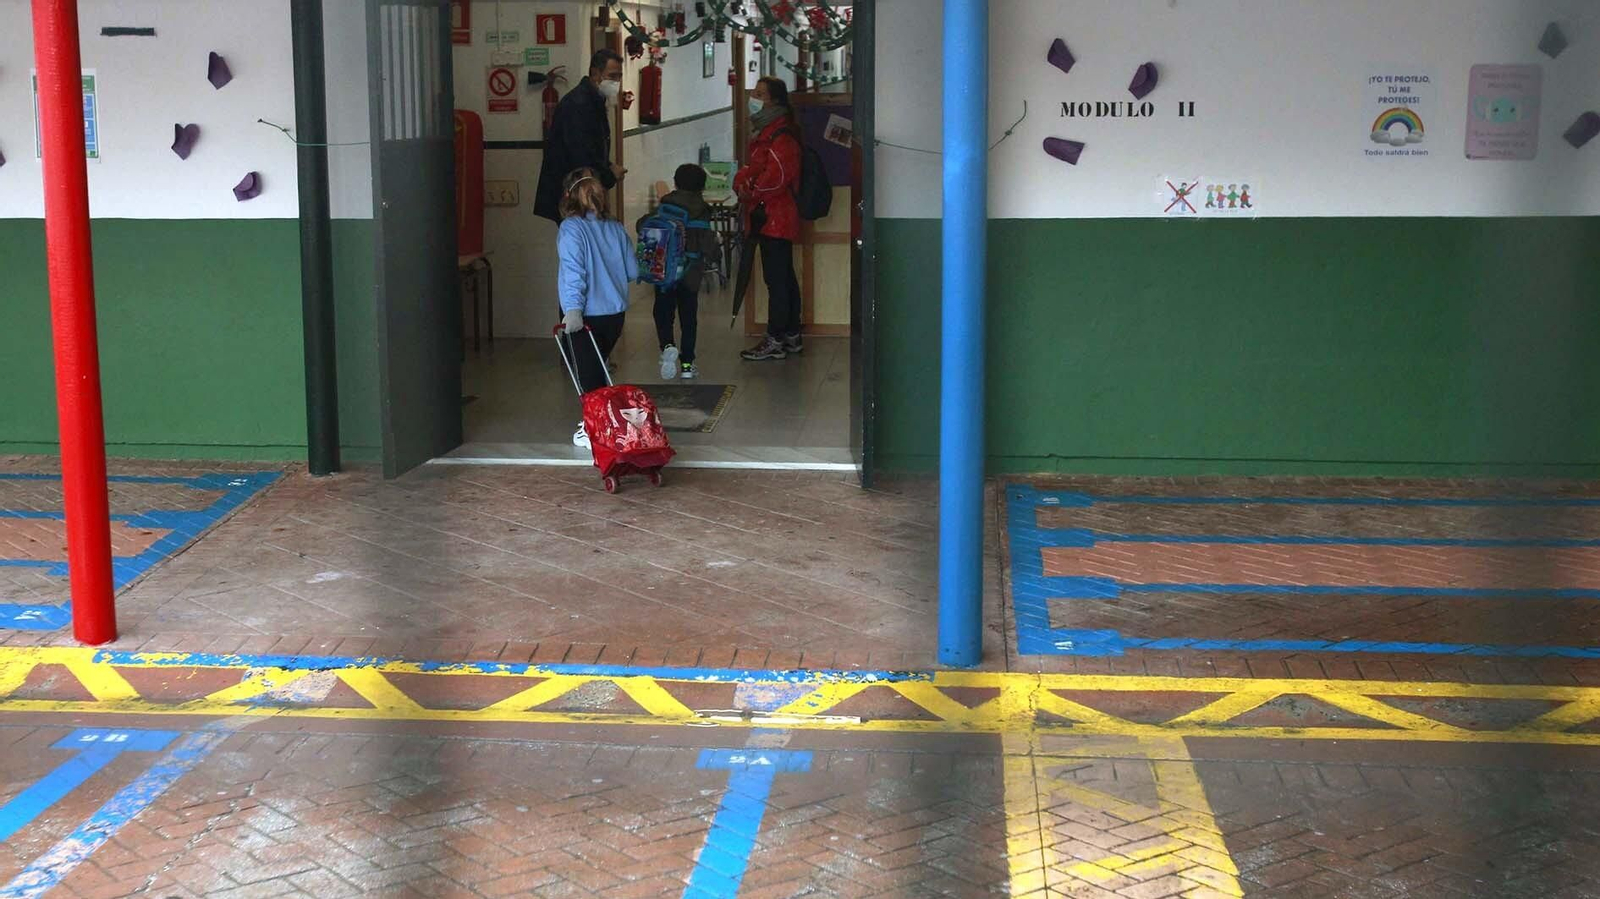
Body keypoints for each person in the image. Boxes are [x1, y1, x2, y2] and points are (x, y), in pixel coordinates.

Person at [557, 168, 638, 448]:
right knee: (599, 367)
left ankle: (594, 428)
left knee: (588, 375)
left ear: (568, 195)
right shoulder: (615, 227)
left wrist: (572, 310)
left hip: (586, 314)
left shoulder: (571, 228)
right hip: (615, 314)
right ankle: (603, 422)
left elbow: (573, 271)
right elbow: (632, 270)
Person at [735, 76, 804, 361]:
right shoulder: (767, 131)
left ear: (774, 100)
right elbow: (756, 168)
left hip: (776, 217)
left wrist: (747, 190)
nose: (753, 97)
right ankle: (790, 333)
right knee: (783, 276)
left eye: (760, 94)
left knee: (777, 280)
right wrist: (742, 179)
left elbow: (774, 180)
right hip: (769, 216)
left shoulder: (782, 135)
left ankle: (776, 338)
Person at [638, 163, 718, 381]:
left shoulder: (666, 205)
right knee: (688, 317)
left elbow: (642, 225)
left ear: (675, 182)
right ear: (702, 187)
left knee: (663, 312)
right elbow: (708, 245)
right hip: (691, 274)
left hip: (664, 271)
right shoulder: (702, 211)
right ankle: (687, 364)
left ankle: (667, 347)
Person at [535, 49, 627, 224]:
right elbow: (580, 153)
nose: (616, 82)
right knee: (578, 243)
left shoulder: (594, 100)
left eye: (619, 76)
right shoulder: (579, 104)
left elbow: (592, 146)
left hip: (581, 191)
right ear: (595, 73)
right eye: (612, 76)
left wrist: (607, 167)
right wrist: (608, 175)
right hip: (573, 193)